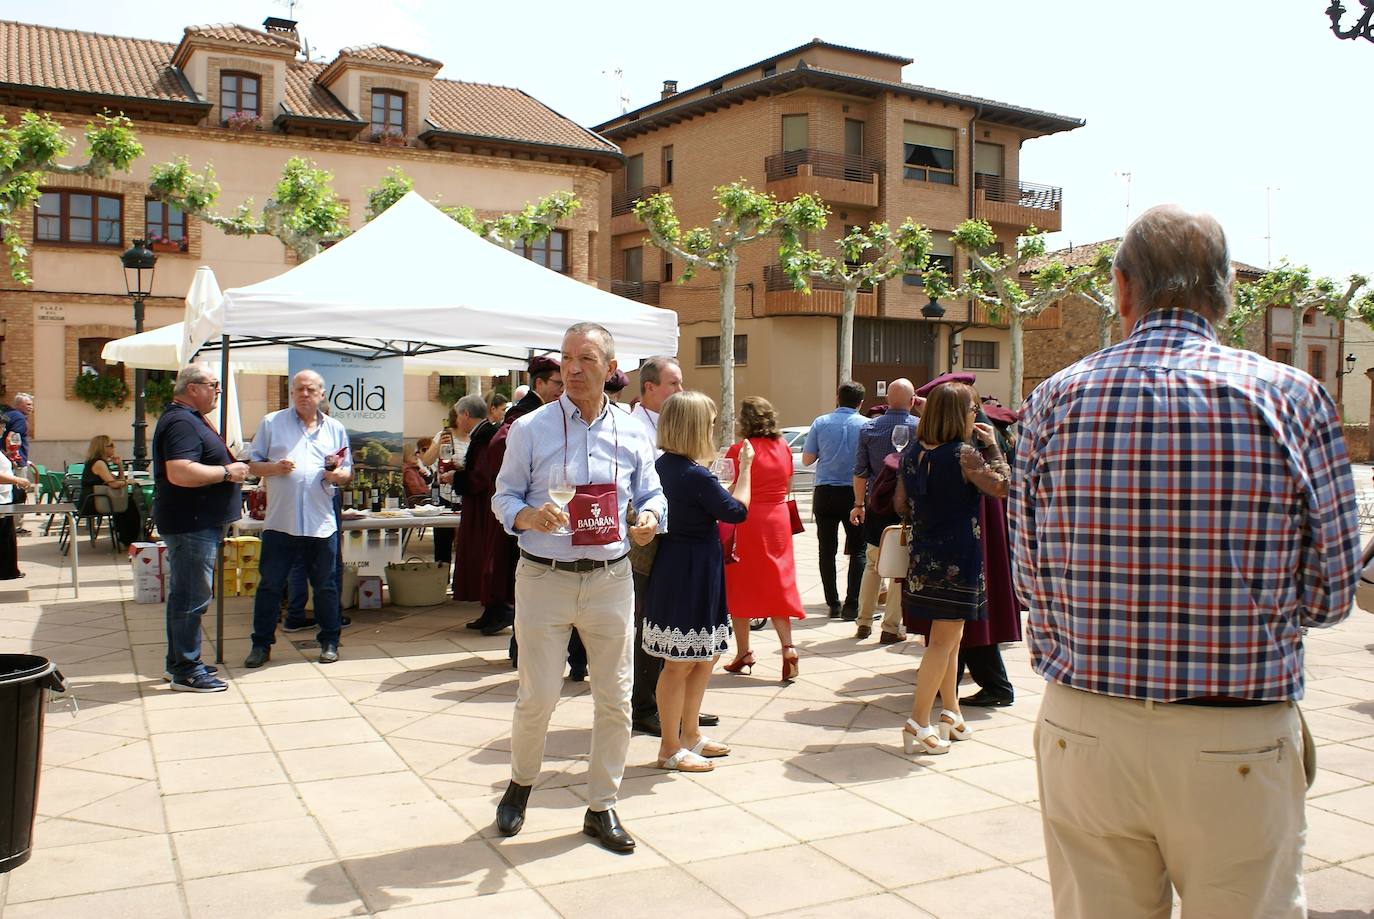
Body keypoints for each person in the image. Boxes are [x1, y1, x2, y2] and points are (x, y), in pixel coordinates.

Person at [1010, 204, 1361, 918]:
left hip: (1086, 726)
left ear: (1121, 288)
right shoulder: (1293, 397)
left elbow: (1029, 575)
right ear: (1227, 289)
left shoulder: (1053, 398)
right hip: (1235, 732)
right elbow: (1331, 594)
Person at [490, 322, 664, 853]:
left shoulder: (635, 430)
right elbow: (502, 498)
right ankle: (521, 784)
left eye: (585, 358)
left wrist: (650, 520)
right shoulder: (530, 428)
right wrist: (527, 517)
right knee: (537, 696)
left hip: (611, 577)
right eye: (566, 358)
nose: (572, 368)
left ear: (611, 369)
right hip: (544, 576)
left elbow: (653, 494)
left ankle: (602, 806)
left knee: (615, 698)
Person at [895, 381, 1009, 756]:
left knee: (948, 641)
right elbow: (1002, 486)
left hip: (923, 556)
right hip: (957, 557)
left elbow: (900, 503)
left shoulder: (912, 451)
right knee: (943, 643)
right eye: (973, 411)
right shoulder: (963, 454)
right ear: (962, 415)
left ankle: (952, 713)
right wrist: (992, 445)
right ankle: (918, 721)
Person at [644, 391, 750, 772]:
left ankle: (688, 735)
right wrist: (746, 470)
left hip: (684, 568)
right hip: (690, 571)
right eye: (707, 423)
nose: (712, 429)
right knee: (680, 663)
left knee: (701, 656)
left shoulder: (666, 467)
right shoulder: (692, 474)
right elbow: (736, 511)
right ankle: (670, 746)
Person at [627, 355, 717, 736]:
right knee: (651, 626)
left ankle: (679, 710)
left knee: (675, 629)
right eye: (674, 383)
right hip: (651, 542)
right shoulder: (634, 428)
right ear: (649, 387)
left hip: (677, 540)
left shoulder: (666, 424)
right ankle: (646, 707)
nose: (681, 390)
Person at [244, 370, 352, 668]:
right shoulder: (271, 423)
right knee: (270, 585)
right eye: (298, 390)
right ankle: (261, 645)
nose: (304, 395)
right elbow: (252, 464)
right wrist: (274, 468)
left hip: (320, 522)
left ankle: (330, 641)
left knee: (326, 586)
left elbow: (347, 472)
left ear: (321, 394)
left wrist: (338, 475)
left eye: (310, 390)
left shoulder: (335, 429)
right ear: (291, 393)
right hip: (281, 522)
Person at [153, 366, 247, 692]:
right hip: (192, 523)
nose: (218, 391)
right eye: (213, 385)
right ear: (192, 388)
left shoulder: (185, 418)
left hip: (194, 522)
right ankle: (187, 670)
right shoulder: (181, 421)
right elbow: (180, 472)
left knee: (185, 595)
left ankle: (179, 662)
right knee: (192, 597)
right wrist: (226, 472)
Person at [473, 356, 563, 639]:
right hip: (527, 510)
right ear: (539, 383)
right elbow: (499, 449)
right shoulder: (526, 416)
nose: (562, 389)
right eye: (557, 383)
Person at [722, 397, 806, 681]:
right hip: (778, 519)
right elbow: (789, 483)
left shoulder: (739, 450)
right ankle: (788, 647)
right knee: (777, 581)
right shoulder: (783, 446)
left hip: (747, 519)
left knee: (740, 583)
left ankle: (744, 651)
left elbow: (731, 487)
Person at [849, 378, 918, 641]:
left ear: (887, 400)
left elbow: (860, 472)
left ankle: (864, 621)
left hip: (876, 503)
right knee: (900, 568)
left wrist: (858, 504)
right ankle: (890, 626)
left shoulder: (869, 428)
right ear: (912, 401)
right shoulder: (920, 428)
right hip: (907, 508)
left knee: (873, 564)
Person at [803, 381, 867, 619]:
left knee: (826, 549)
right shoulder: (867, 425)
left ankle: (833, 602)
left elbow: (808, 459)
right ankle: (852, 604)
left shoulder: (820, 422)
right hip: (854, 493)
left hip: (825, 492)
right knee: (859, 549)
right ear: (861, 402)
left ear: (837, 398)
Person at [446, 394, 499, 605]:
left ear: (466, 414)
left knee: (480, 554)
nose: (457, 421)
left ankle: (488, 603)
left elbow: (481, 478)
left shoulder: (484, 438)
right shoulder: (484, 435)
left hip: (483, 508)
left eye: (458, 416)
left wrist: (456, 477)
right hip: (482, 505)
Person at [422, 403, 473, 565]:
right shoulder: (444, 435)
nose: (467, 419)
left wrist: (461, 470)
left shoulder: (474, 438)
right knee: (442, 548)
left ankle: (463, 585)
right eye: (464, 415)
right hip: (445, 499)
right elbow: (427, 460)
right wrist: (438, 446)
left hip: (467, 499)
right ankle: (440, 583)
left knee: (467, 548)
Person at [79, 434, 144, 546]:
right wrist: (128, 482)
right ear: (103, 447)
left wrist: (119, 466)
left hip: (100, 499)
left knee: (127, 502)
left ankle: (129, 537)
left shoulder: (100, 462)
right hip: (93, 501)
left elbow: (118, 481)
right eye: (111, 445)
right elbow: (113, 484)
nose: (114, 448)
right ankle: (130, 539)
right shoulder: (98, 463)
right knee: (130, 504)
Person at [0, 440, 33, 578]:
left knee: (7, 538)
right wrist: (17, 480)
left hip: (5, 498)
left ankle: (8, 570)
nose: (3, 430)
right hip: (1, 500)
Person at [4, 393, 32, 535]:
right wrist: (14, 458)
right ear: (18, 405)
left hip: (7, 461)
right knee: (19, 493)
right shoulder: (19, 418)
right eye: (28, 404)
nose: (31, 407)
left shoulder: (8, 415)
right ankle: (16, 526)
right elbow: (12, 439)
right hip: (16, 463)